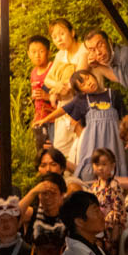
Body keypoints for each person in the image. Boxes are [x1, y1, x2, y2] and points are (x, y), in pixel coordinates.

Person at [35, 69, 128, 182]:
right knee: (89, 172)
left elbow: (125, 118)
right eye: (83, 84)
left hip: (113, 140)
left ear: (93, 75)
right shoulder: (83, 100)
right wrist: (45, 119)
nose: (88, 83)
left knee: (115, 168)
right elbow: (64, 109)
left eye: (88, 78)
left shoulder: (113, 94)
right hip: (92, 143)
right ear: (82, 91)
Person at [43, 18, 88, 164]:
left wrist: (61, 88)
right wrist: (57, 86)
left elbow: (78, 77)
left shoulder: (84, 51)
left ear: (72, 32)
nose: (59, 39)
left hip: (81, 106)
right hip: (63, 106)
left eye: (62, 34)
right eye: (54, 37)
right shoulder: (60, 55)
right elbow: (47, 80)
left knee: (82, 149)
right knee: (61, 150)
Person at [88, 148, 125, 255]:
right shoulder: (94, 186)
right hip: (97, 228)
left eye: (104, 164)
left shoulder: (114, 185)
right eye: (97, 164)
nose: (100, 168)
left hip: (111, 229)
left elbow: (118, 210)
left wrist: (114, 233)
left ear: (112, 166)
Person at [19, 172, 67, 243]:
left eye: (53, 193)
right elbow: (12, 215)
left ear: (62, 195)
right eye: (44, 193)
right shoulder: (32, 213)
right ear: (39, 195)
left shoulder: (68, 217)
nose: (48, 197)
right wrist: (33, 192)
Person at [28, 35, 55, 150]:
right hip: (39, 120)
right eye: (33, 52)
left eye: (41, 51)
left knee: (54, 152)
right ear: (28, 54)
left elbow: (65, 96)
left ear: (48, 52)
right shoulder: (33, 73)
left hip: (54, 119)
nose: (37, 55)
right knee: (41, 153)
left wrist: (47, 96)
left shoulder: (53, 68)